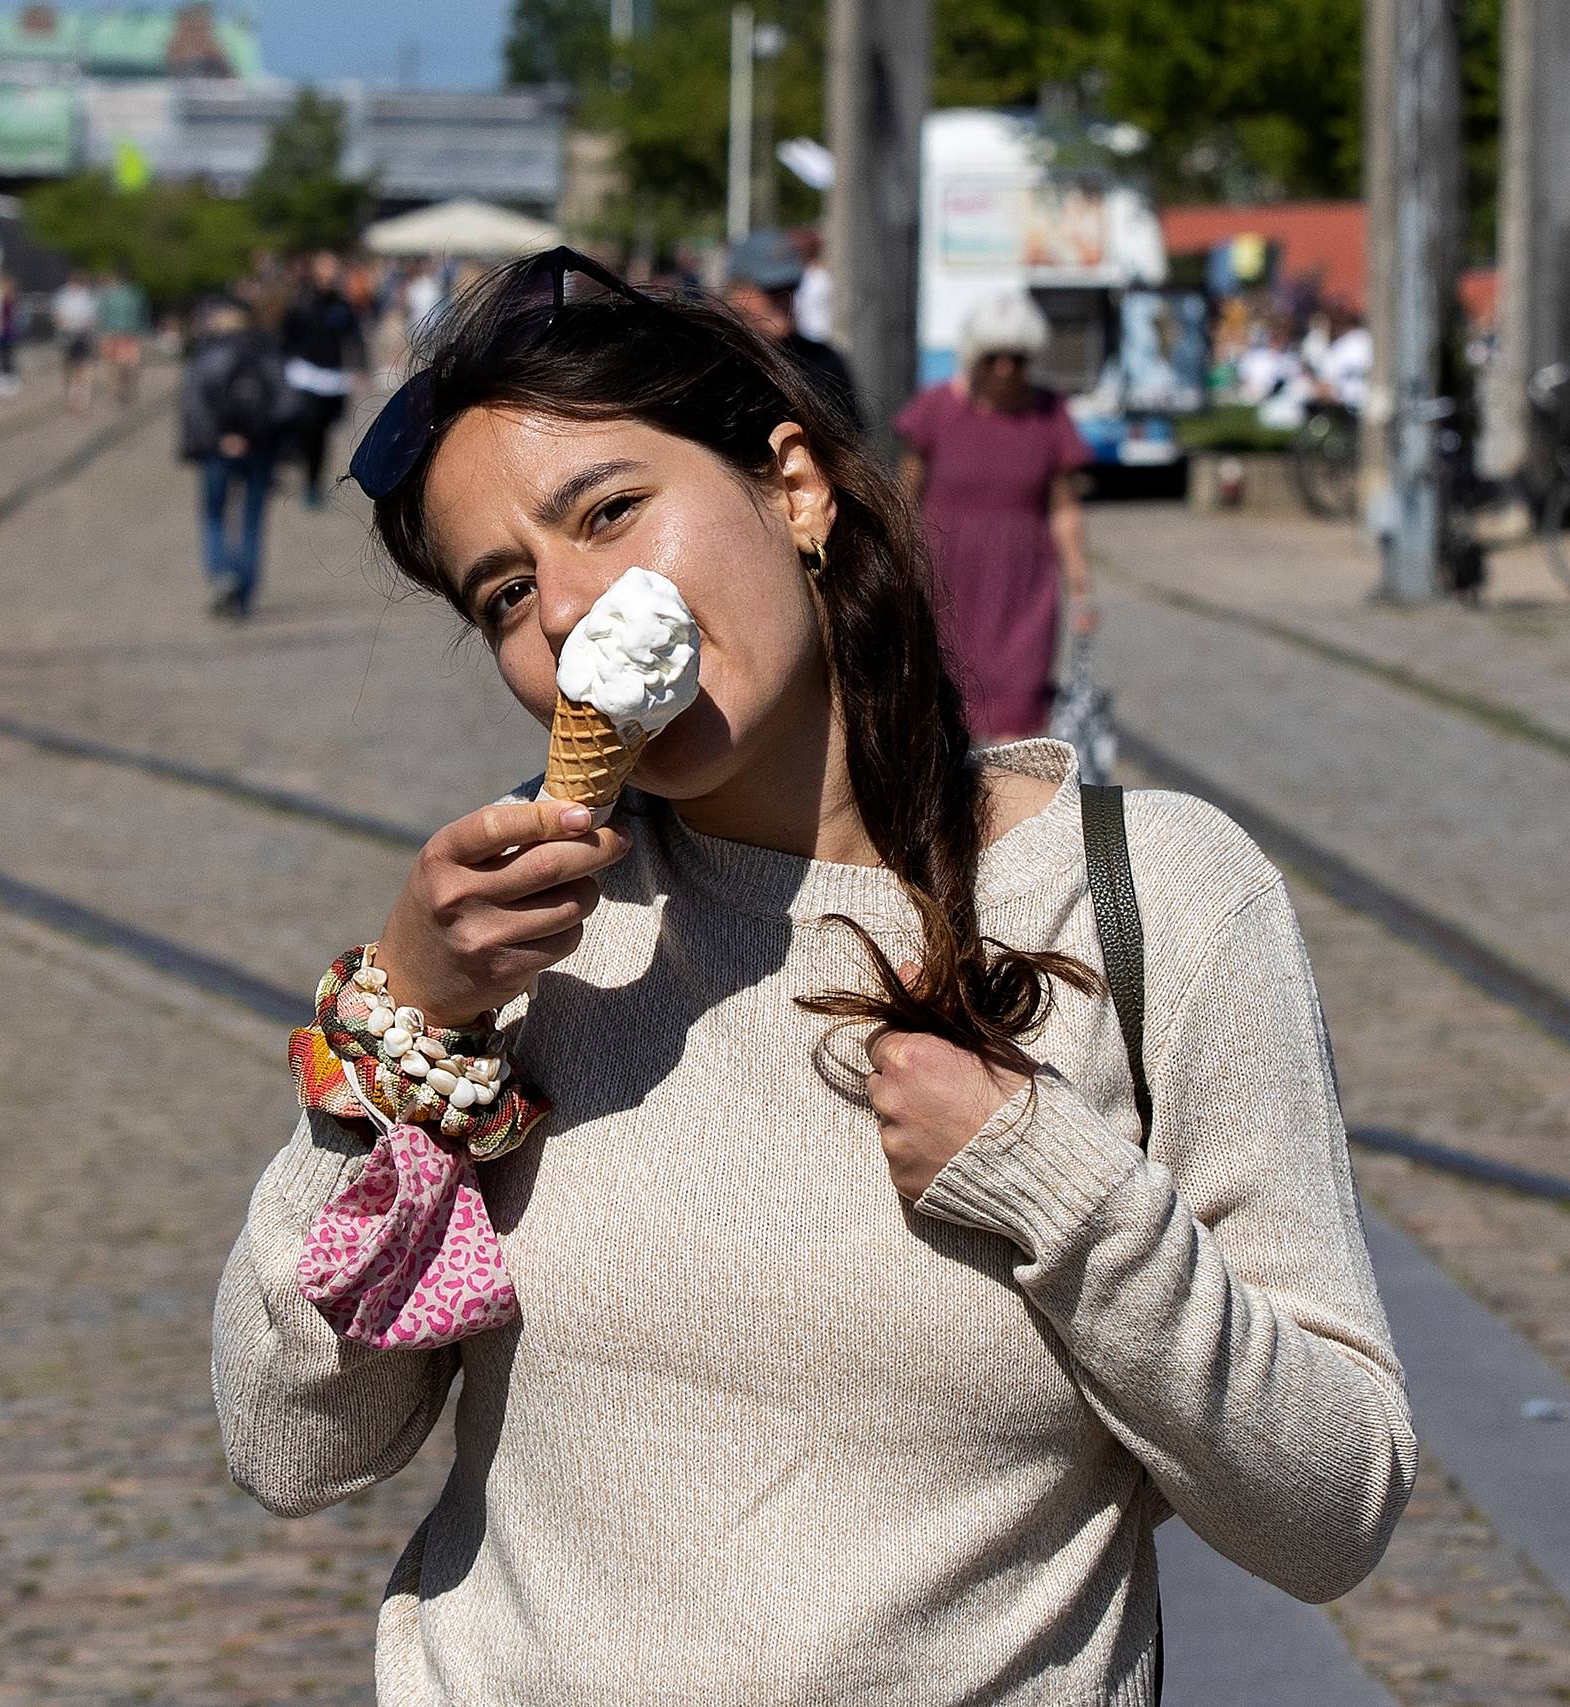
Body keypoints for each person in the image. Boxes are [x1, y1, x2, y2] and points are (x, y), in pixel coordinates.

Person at [212, 247, 1415, 1706]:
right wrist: (401, 1033)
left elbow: (1331, 1506)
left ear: (794, 488)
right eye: (506, 590)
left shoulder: (1157, 898)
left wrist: (1052, 1184)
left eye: (610, 510)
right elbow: (294, 1440)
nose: (575, 608)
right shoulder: (528, 947)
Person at [894, 287, 1097, 744]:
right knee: (942, 711)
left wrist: (1082, 589)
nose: (1005, 369)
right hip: (945, 581)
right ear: (974, 356)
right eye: (993, 357)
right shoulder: (936, 408)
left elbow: (1065, 509)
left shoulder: (1050, 414)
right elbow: (905, 496)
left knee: (1019, 718)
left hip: (1023, 585)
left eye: (1018, 358)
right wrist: (893, 566)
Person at [179, 295, 289, 621]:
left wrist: (214, 440)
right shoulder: (267, 350)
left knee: (214, 514)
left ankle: (222, 572)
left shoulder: (206, 353)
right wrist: (263, 437)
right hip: (260, 447)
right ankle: (244, 593)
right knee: (252, 520)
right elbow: (286, 401)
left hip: (216, 449)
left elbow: (194, 403)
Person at [723, 226, 862, 428]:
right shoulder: (713, 361)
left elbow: (853, 445)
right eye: (773, 290)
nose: (785, 300)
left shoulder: (824, 362)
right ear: (737, 292)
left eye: (791, 288)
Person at [280, 251, 365, 508]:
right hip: (304, 377)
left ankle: (314, 482)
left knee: (322, 433)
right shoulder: (300, 303)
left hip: (333, 379)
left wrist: (360, 367)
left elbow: (354, 338)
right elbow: (286, 338)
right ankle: (304, 472)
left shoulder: (342, 305)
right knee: (307, 427)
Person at [96, 266, 149, 407]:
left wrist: (102, 335)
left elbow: (102, 316)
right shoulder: (136, 294)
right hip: (130, 335)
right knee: (130, 365)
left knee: (115, 367)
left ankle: (117, 390)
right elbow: (143, 315)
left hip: (113, 335)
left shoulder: (110, 295)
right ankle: (125, 388)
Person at [52, 269, 100, 411]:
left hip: (82, 335)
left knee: (82, 366)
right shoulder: (63, 295)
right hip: (67, 335)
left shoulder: (87, 296)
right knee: (70, 366)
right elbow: (57, 316)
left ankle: (81, 396)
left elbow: (92, 317)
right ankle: (73, 393)